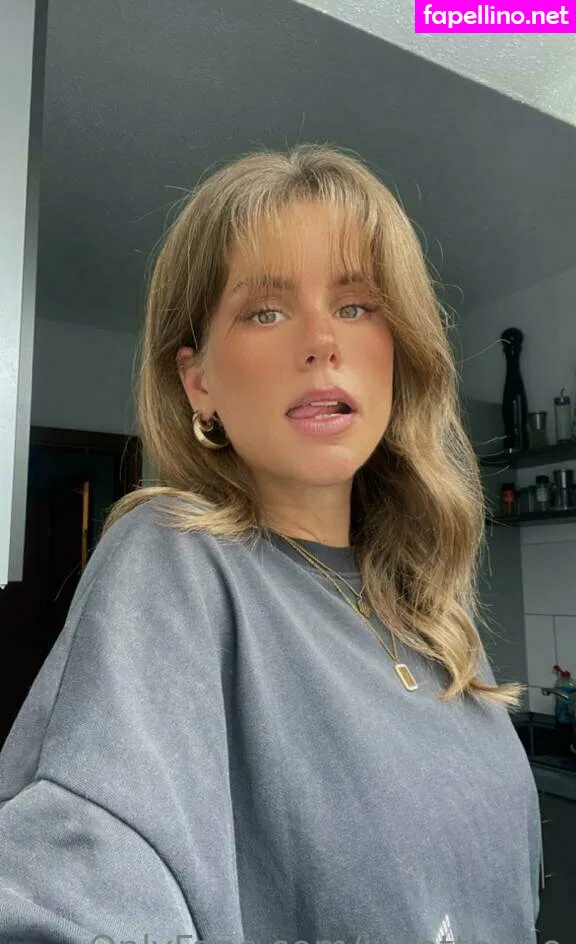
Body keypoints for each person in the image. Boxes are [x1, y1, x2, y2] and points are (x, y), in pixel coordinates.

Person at [0, 144, 541, 944]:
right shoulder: (172, 561)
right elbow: (67, 889)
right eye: (265, 311)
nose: (322, 341)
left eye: (356, 305)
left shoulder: (435, 612)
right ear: (199, 382)